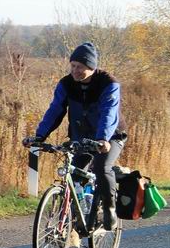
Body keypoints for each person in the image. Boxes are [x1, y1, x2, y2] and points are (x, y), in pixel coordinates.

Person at [23, 42, 127, 230]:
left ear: (91, 67)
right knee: (73, 174)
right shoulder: (66, 84)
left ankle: (110, 208)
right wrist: (39, 137)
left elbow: (108, 113)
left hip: (110, 136)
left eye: (80, 67)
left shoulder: (108, 83)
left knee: (102, 168)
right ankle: (76, 217)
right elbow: (55, 110)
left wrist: (103, 139)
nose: (75, 71)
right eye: (72, 66)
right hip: (81, 137)